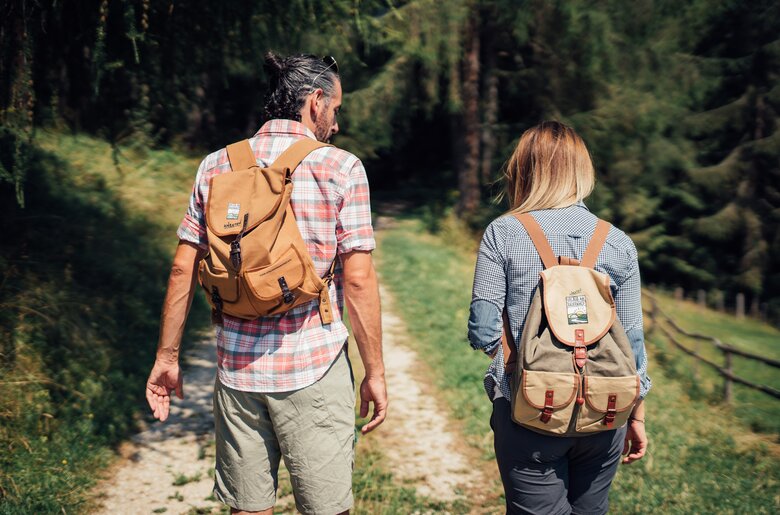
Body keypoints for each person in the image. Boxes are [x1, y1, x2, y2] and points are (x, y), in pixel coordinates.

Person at [144, 52, 387, 515]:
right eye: (335, 108)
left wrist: (167, 358)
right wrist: (374, 373)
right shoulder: (341, 168)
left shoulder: (216, 165)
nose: (336, 123)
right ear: (315, 102)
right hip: (312, 368)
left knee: (248, 509)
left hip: (237, 369)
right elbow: (357, 280)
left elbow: (182, 269)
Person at [468, 121, 651, 514]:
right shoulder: (618, 242)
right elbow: (633, 346)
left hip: (529, 407)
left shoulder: (504, 232)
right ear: (583, 171)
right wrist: (635, 414)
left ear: (524, 171)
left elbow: (482, 330)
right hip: (605, 411)